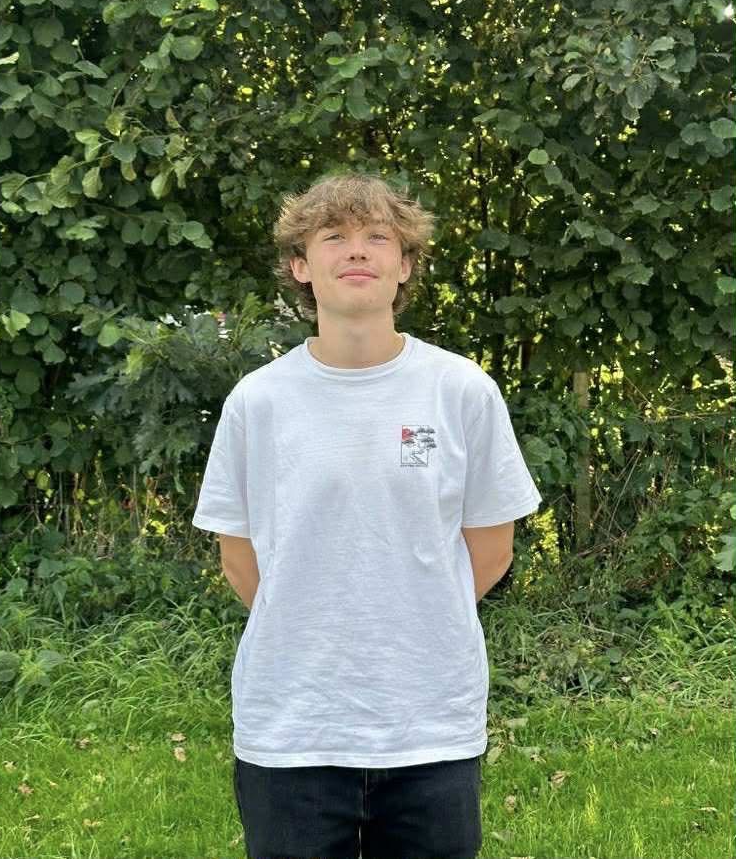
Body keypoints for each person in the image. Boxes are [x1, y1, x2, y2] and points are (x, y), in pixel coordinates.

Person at [192, 172, 543, 859]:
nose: (357, 250)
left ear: (404, 264)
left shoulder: (461, 390)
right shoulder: (258, 401)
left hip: (430, 720)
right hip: (291, 723)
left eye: (378, 237)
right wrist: (316, 624)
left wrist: (412, 615)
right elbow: (238, 558)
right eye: (334, 236)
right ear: (301, 265)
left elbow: (492, 550)